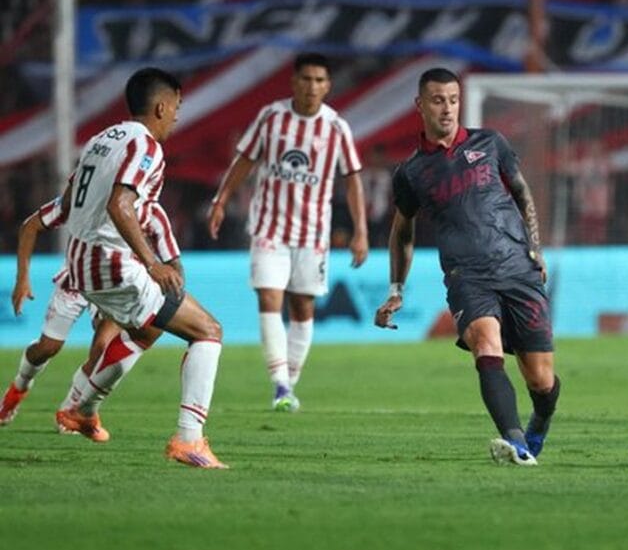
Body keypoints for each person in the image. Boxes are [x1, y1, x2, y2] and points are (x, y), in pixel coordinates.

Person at [374, 67, 560, 466]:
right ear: (420, 105)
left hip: (515, 265)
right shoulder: (411, 172)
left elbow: (522, 193)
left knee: (541, 380)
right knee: (485, 345)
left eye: (454, 100)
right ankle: (517, 445)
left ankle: (538, 424)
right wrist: (395, 290)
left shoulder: (490, 143)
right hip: (466, 275)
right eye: (438, 100)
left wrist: (536, 249)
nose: (448, 108)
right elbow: (402, 231)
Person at [47, 67, 228, 468]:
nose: (177, 117)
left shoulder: (102, 139)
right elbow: (120, 204)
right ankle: (189, 440)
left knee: (146, 329)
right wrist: (153, 263)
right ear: (161, 106)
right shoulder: (146, 147)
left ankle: (81, 407)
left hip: (80, 258)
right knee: (208, 331)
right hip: (110, 262)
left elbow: (73, 194)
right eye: (177, 107)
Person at [208, 52, 369, 411]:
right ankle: (280, 383)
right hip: (269, 228)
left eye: (319, 80)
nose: (312, 86)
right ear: (294, 82)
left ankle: (289, 385)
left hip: (313, 234)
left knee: (303, 307)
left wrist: (360, 231)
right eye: (306, 79)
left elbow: (353, 179)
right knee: (269, 297)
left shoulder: (336, 127)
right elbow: (245, 160)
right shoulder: (271, 117)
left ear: (328, 86)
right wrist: (221, 200)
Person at [1, 196, 181, 429]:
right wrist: (22, 278)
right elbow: (31, 225)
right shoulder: (86, 199)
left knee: (102, 348)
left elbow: (173, 260)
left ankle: (70, 411)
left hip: (117, 286)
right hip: (78, 279)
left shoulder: (152, 213)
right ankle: (19, 387)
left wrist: (175, 297)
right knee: (48, 348)